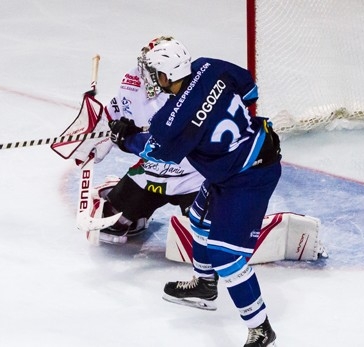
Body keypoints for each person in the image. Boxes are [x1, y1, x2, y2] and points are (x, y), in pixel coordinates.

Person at [108, 36, 280, 347]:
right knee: (200, 220)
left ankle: (261, 329)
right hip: (243, 155)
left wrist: (125, 137)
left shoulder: (170, 121)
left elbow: (154, 151)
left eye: (154, 72)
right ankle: (204, 285)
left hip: (250, 177)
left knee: (226, 257)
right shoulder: (208, 66)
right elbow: (249, 89)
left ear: (165, 75)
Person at [63, 51, 205, 245]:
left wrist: (128, 139)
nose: (145, 72)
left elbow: (167, 146)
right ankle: (127, 204)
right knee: (111, 225)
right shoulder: (133, 83)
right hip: (153, 173)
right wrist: (92, 133)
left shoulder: (198, 93)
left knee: (207, 237)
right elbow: (112, 118)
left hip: (194, 177)